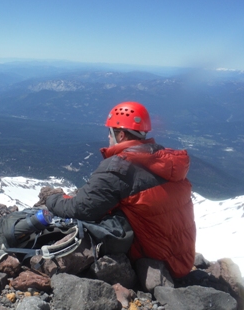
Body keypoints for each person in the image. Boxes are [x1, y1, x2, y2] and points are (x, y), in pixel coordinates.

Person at [45, 101, 196, 278]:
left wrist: (52, 199)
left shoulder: (119, 167)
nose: (108, 138)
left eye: (110, 133)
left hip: (157, 262)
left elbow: (80, 208)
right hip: (184, 258)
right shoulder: (163, 161)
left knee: (94, 222)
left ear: (121, 135)